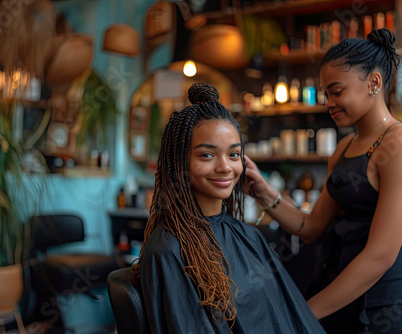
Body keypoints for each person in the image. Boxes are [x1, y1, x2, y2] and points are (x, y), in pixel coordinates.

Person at [245, 29, 402, 333]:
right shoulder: (343, 150)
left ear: (374, 83)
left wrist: (303, 313)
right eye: (326, 94)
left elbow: (380, 256)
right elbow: (311, 228)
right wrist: (263, 191)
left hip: (386, 301)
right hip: (340, 289)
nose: (329, 103)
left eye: (337, 91)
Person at [131, 83, 325, 333]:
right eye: (207, 155)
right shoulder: (168, 250)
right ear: (180, 162)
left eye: (233, 155)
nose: (225, 167)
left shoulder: (249, 236)